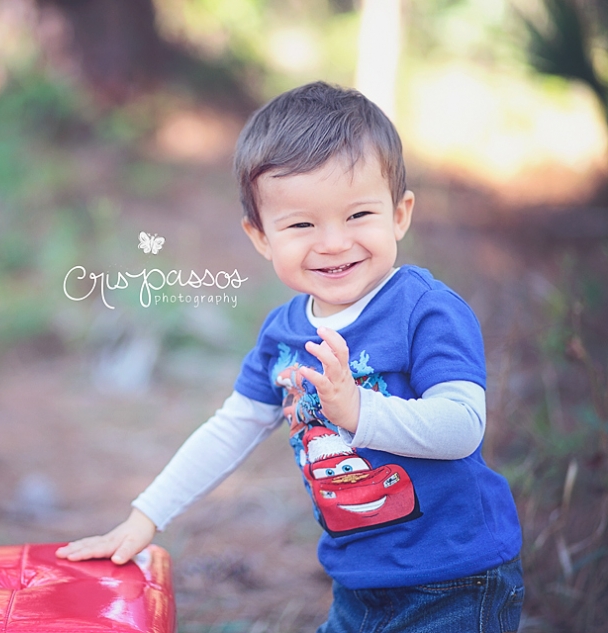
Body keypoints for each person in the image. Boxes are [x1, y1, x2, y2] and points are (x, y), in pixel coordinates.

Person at [56, 81, 524, 632]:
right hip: (358, 584)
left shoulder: (424, 310)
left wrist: (359, 412)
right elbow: (231, 428)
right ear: (260, 236)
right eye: (302, 224)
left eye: (358, 215)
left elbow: (463, 426)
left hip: (456, 578)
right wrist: (146, 516)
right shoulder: (283, 334)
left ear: (400, 214)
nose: (333, 242)